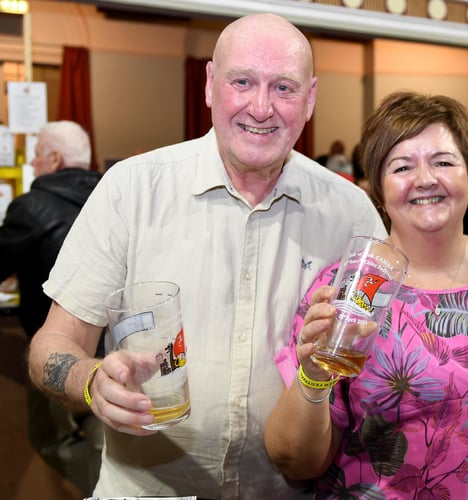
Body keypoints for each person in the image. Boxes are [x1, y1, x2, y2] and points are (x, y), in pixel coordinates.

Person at [27, 14, 386, 499]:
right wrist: (91, 380)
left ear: (311, 99)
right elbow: (54, 343)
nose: (261, 107)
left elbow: (377, 371)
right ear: (210, 86)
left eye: (283, 87)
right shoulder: (131, 191)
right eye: (242, 81)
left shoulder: (351, 215)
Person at [265, 91, 468, 499]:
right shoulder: (352, 288)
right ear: (378, 189)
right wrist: (313, 376)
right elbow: (296, 460)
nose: (425, 179)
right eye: (401, 166)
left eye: (443, 161)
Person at [0, 120, 102, 494]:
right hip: (116, 346)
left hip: (57, 348)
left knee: (48, 437)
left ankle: (104, 488)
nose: (31, 164)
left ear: (55, 158)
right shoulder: (112, 194)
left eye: (36, 155)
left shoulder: (30, 206)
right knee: (105, 431)